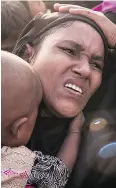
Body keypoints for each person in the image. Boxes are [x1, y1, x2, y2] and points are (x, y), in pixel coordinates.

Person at [12, 6, 116, 188]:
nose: (85, 70)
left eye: (96, 65)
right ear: (28, 53)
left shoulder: (102, 150)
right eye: (69, 51)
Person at [1, 51, 84, 187]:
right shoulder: (17, 162)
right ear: (18, 128)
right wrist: (75, 131)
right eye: (37, 108)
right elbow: (59, 174)